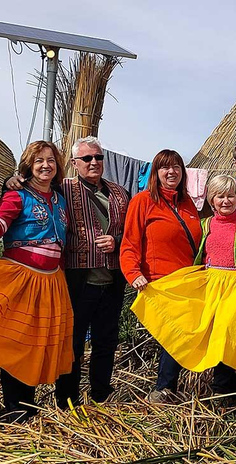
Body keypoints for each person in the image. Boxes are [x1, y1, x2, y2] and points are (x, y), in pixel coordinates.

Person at [4, 136, 131, 408]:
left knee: (102, 340)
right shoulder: (59, 190)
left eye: (98, 157)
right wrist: (12, 180)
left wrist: (117, 243)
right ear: (74, 164)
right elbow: (16, 202)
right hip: (65, 280)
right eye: (86, 158)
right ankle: (59, 401)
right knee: (60, 342)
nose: (93, 162)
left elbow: (131, 234)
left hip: (94, 280)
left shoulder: (117, 193)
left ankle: (99, 396)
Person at [130, 175, 236, 402]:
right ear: (211, 201)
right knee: (185, 329)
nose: (226, 201)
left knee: (227, 333)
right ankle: (168, 388)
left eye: (230, 195)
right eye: (220, 196)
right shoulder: (205, 225)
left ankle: (223, 389)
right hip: (211, 286)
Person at [120, 149, 203, 404]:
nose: (171, 172)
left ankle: (170, 388)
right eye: (165, 168)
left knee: (182, 335)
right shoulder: (142, 201)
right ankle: (163, 389)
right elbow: (129, 243)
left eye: (176, 167)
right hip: (159, 282)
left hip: (188, 282)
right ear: (155, 173)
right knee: (173, 336)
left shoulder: (188, 204)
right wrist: (134, 273)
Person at [0, 141, 74, 422]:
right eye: (39, 161)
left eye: (51, 160)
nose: (46, 165)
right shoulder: (17, 196)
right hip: (19, 279)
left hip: (51, 282)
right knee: (14, 342)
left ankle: (25, 408)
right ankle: (15, 407)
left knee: (36, 344)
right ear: (28, 165)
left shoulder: (59, 199)